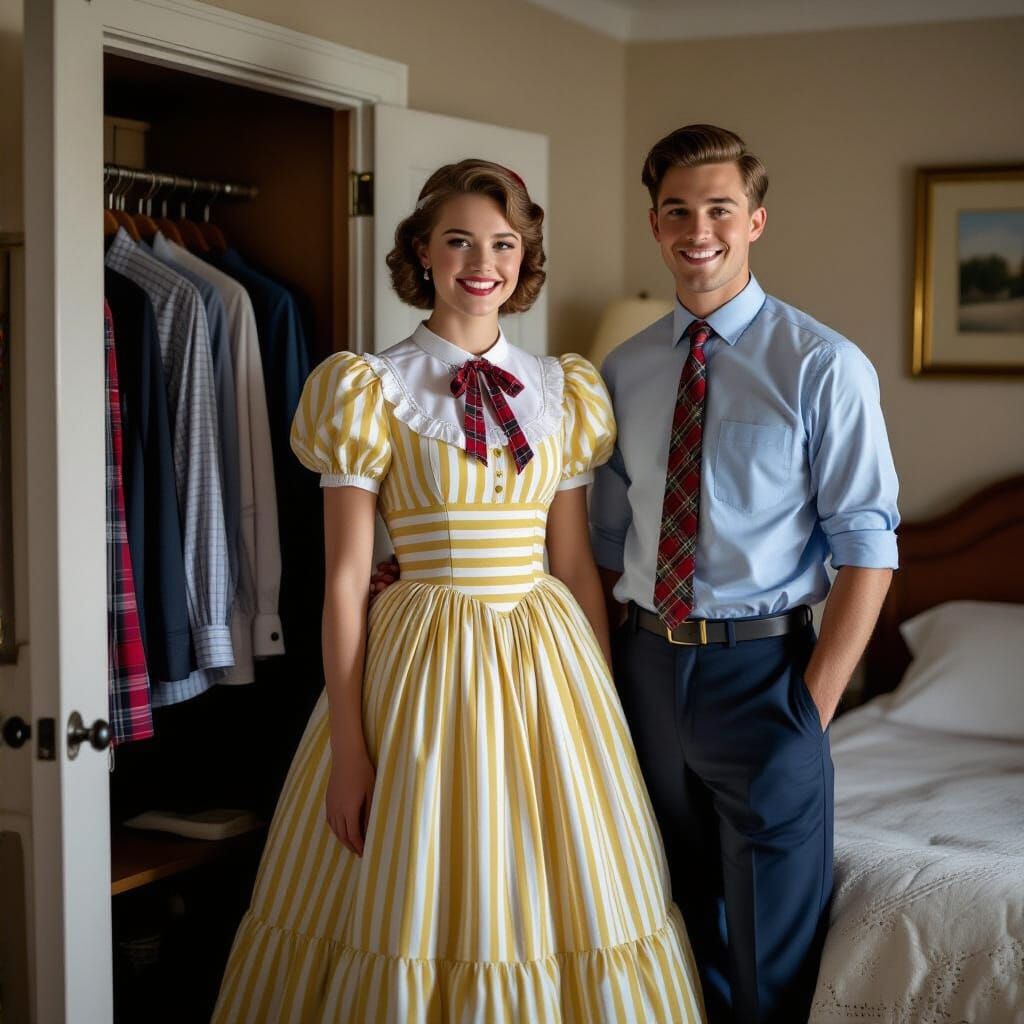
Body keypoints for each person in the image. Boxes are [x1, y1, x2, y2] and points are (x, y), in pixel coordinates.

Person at [212, 159, 705, 1022]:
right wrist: (351, 753)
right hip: (421, 661)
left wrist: (600, 711)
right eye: (461, 240)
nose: (485, 260)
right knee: (415, 884)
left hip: (546, 658)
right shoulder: (367, 388)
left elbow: (577, 564)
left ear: (524, 258)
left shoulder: (565, 388)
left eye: (505, 243)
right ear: (423, 254)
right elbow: (340, 581)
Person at [591, 125, 900, 1024]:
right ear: (655, 225)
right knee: (668, 926)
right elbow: (605, 542)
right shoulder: (624, 368)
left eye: (719, 209)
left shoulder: (823, 366)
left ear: (755, 220)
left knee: (771, 960)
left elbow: (867, 549)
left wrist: (811, 705)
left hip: (764, 677)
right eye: (678, 212)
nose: (699, 231)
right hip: (646, 671)